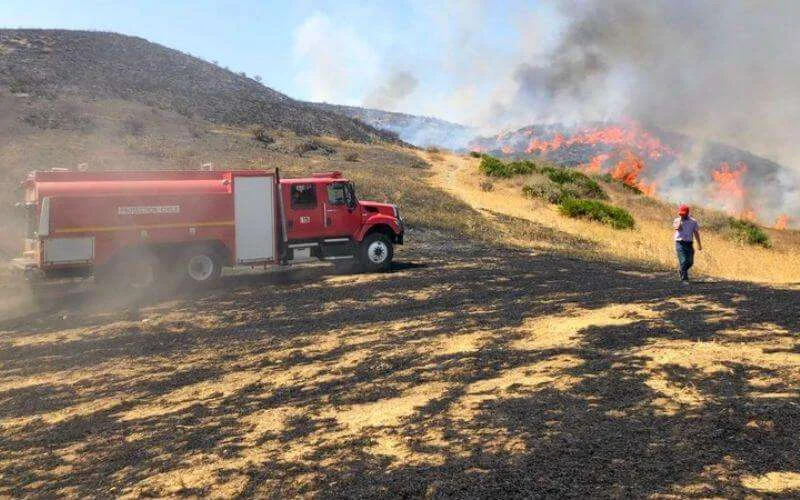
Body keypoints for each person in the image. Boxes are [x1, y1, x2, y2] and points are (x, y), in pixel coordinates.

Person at [673, 204, 702, 284]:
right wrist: (680, 221)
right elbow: (677, 228)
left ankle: (682, 270)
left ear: (687, 213)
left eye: (684, 214)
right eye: (681, 214)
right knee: (684, 260)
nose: (682, 215)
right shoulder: (677, 220)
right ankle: (684, 279)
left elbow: (696, 233)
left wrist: (699, 244)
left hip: (689, 243)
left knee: (690, 262)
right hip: (679, 243)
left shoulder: (693, 222)